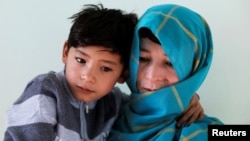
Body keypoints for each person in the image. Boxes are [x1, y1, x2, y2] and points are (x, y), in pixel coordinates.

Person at [4, 3, 203, 141]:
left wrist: (187, 97)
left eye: (106, 68)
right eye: (81, 60)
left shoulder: (114, 105)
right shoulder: (46, 92)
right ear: (66, 51)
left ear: (123, 73)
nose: (88, 76)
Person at [108, 4, 223, 141]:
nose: (152, 76)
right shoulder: (105, 115)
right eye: (143, 59)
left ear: (193, 69)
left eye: (170, 63)